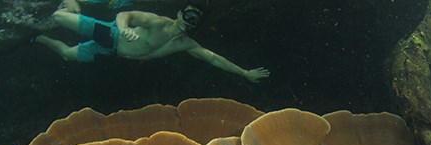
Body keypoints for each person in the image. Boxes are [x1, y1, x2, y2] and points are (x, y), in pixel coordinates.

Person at [34, 2, 270, 82]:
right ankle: (71, 3)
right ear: (179, 14)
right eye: (187, 15)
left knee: (67, 54)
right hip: (111, 34)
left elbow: (215, 59)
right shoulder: (158, 22)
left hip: (111, 53)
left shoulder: (185, 44)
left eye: (194, 20)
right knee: (58, 17)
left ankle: (37, 37)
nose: (189, 22)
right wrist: (125, 30)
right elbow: (125, 16)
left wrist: (245, 73)